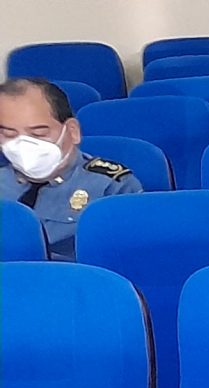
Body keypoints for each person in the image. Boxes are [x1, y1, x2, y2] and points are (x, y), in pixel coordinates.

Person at [1, 78, 142, 261]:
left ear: (72, 131)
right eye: (9, 134)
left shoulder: (112, 186)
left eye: (39, 134)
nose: (23, 145)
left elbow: (128, 259)